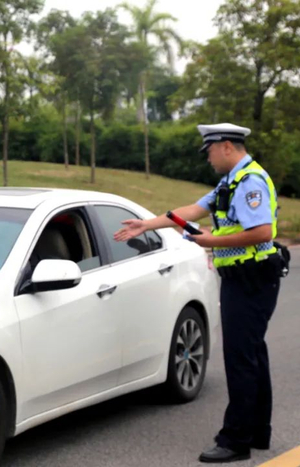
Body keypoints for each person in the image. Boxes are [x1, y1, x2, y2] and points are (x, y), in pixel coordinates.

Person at [114, 123, 288, 464]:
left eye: (209, 151)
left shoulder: (250, 182)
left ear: (226, 146)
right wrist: (146, 224)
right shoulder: (231, 181)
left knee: (241, 359)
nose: (208, 158)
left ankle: (236, 440)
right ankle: (257, 431)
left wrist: (211, 241)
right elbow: (193, 210)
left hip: (252, 278)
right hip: (244, 277)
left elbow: (262, 232)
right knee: (253, 354)